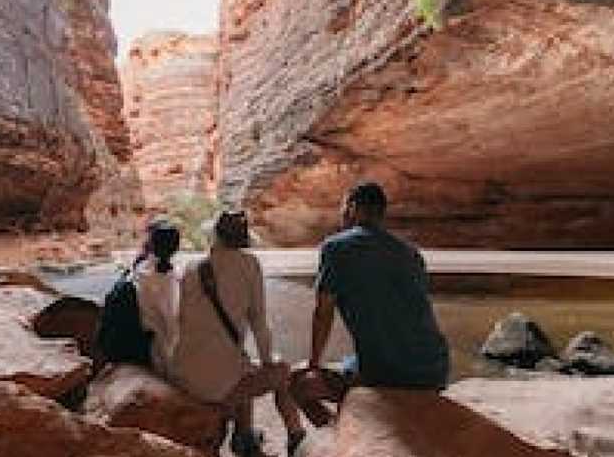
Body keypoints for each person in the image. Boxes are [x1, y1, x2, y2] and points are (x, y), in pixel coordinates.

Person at [304, 181, 450, 414]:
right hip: (435, 370)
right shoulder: (410, 253)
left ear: (352, 208)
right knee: (351, 362)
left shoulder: (336, 248)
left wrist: (313, 364)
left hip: (386, 374)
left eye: (343, 207)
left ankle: (333, 433)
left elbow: (323, 312)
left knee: (297, 383)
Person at [170, 210, 306, 457]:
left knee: (241, 364)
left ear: (216, 235)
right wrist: (268, 363)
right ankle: (296, 435)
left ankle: (245, 436)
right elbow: (259, 323)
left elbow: (181, 320)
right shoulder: (249, 264)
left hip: (184, 373)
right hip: (215, 384)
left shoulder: (191, 268)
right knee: (280, 371)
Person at [133, 218, 182, 377]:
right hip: (158, 349)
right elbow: (171, 322)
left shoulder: (141, 269)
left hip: (143, 339)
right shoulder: (164, 279)